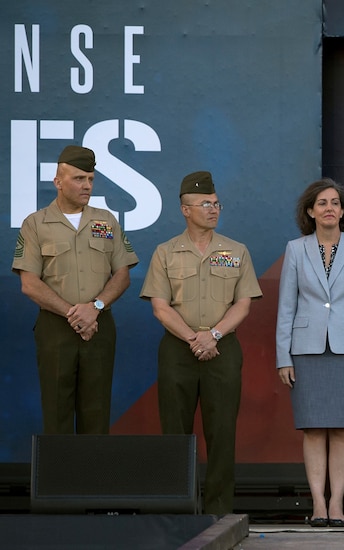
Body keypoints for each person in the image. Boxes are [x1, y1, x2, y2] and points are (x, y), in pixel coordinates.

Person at [140, 171, 262, 515]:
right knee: (175, 433)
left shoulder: (236, 251)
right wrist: (195, 338)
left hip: (222, 349)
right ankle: (178, 508)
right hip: (179, 348)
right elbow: (160, 307)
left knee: (222, 431)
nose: (213, 209)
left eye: (216, 203)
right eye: (205, 203)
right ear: (185, 209)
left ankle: (219, 510)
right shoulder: (166, 252)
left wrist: (214, 335)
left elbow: (243, 303)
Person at [12, 145, 139, 434]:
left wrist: (93, 309)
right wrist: (75, 314)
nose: (87, 186)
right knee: (56, 413)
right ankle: (58, 479)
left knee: (96, 413)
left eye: (91, 179)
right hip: (56, 328)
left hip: (99, 326)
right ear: (58, 181)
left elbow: (122, 275)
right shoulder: (35, 224)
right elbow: (29, 284)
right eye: (79, 179)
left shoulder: (106, 221)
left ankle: (92, 479)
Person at [276, 178, 344, 528]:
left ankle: (337, 504)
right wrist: (283, 356)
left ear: (342, 210)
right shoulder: (295, 249)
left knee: (343, 429)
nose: (329, 208)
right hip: (305, 350)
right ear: (310, 211)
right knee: (314, 429)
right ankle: (318, 504)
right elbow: (286, 307)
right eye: (322, 203)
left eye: (335, 202)